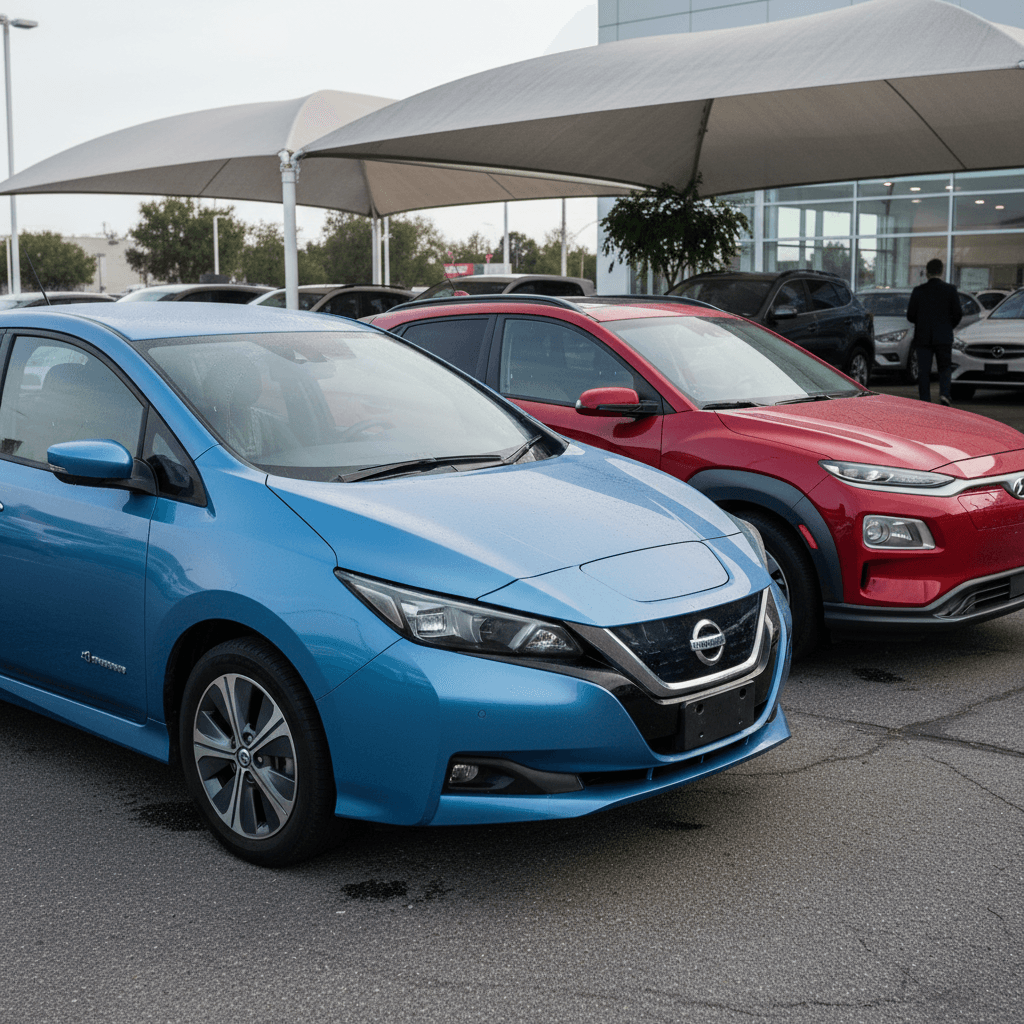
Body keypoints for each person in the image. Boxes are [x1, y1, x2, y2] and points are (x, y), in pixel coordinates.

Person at [906, 258, 962, 405]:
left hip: (923, 337)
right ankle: (944, 394)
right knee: (944, 367)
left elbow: (910, 315)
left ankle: (925, 401)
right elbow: (958, 314)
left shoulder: (918, 291)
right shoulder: (950, 290)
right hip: (943, 336)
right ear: (941, 271)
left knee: (924, 371)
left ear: (927, 272)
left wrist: (921, 322)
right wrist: (948, 326)